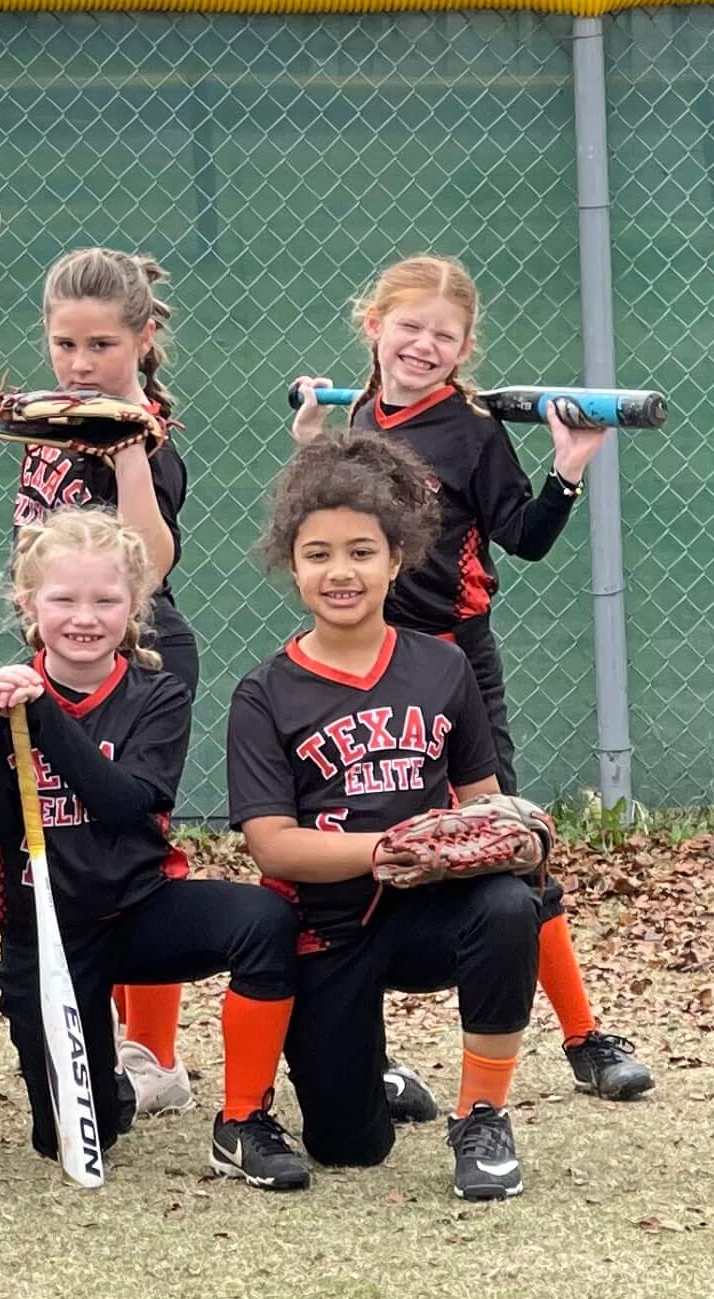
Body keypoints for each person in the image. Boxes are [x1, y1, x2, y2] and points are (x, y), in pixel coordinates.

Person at [290, 252, 652, 1112]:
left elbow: (522, 538)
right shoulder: (357, 415)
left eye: (443, 337)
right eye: (408, 327)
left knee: (506, 845)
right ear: (373, 325)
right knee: (353, 847)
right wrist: (311, 444)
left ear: (463, 350)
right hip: (356, 660)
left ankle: (584, 1037)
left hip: (451, 662)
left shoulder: (471, 431)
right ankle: (358, 1057)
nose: (423, 345)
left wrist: (570, 464)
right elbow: (322, 530)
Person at [228, 431, 543, 1200]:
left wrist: (505, 838)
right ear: (292, 564)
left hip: (429, 911)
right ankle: (369, 1070)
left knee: (508, 906)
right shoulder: (266, 691)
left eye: (362, 551)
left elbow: (480, 799)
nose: (341, 571)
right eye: (319, 553)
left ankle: (482, 1115)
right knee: (348, 1146)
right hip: (329, 924)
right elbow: (273, 846)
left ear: (397, 559)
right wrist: (390, 847)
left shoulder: (442, 665)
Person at [0, 508, 306, 1190]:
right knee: (67, 1132)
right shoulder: (1, 697)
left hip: (141, 911)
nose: (83, 617)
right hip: (48, 934)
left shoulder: (157, 693)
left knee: (266, 921)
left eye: (105, 600)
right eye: (63, 599)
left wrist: (45, 715)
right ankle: (105, 1083)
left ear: (135, 605)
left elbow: (124, 804)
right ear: (29, 604)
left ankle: (246, 1116)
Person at [10, 246, 202, 1118]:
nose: (80, 363)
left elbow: (150, 564)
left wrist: (127, 447)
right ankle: (89, 1027)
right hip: (66, 648)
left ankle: (152, 1053)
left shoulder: (143, 434)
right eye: (65, 344)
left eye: (100, 346)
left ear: (143, 336)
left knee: (129, 838)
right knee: (66, 831)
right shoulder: (56, 415)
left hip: (144, 654)